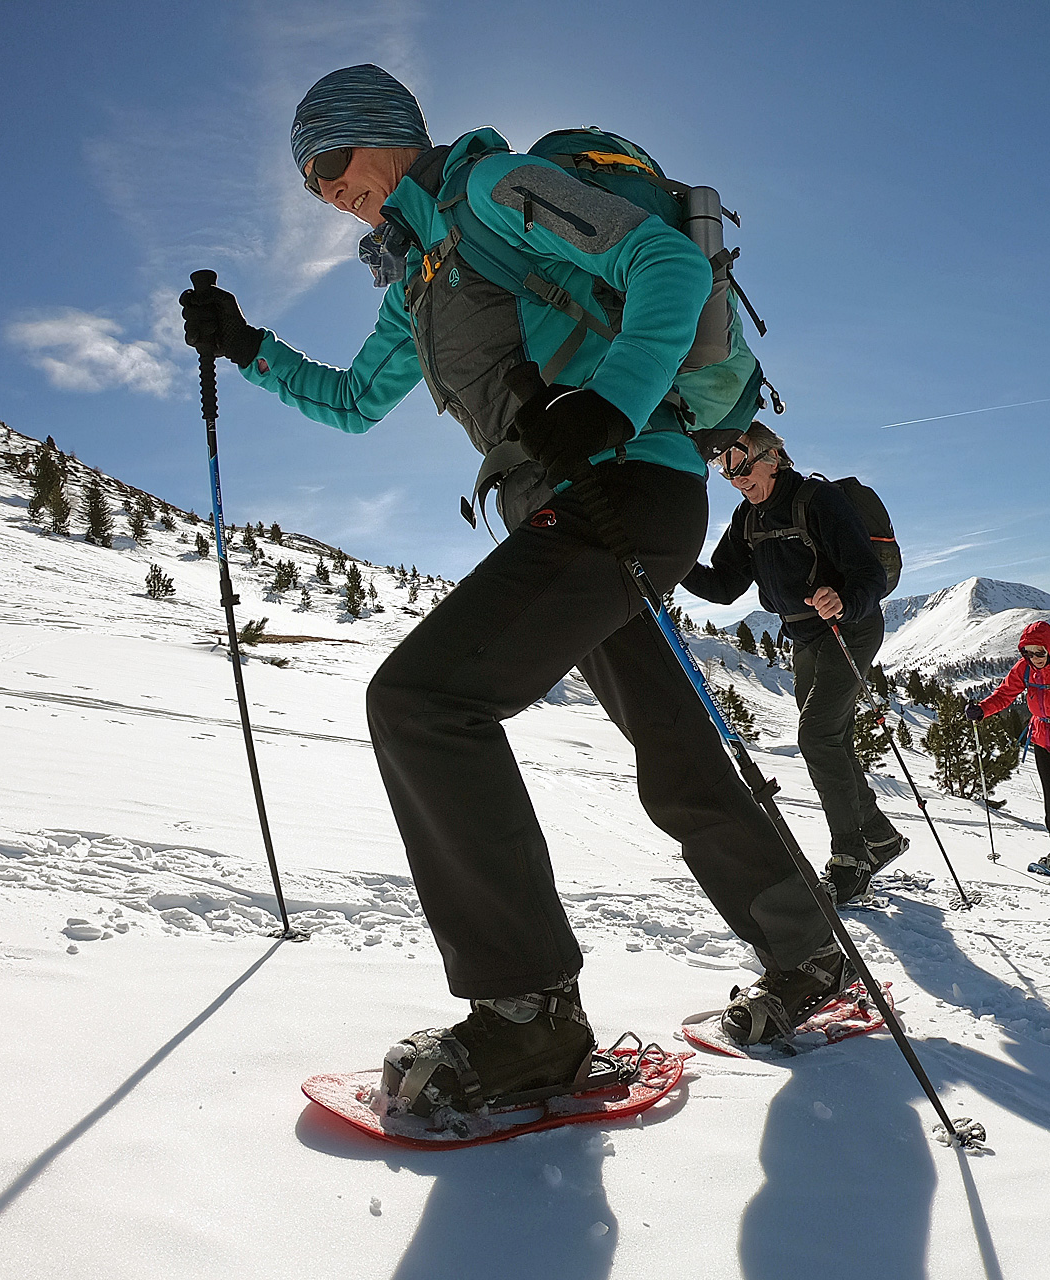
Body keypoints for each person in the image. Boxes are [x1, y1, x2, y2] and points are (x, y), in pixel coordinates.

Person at [179, 65, 844, 1112]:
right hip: (576, 505)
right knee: (675, 751)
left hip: (626, 485)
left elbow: (663, 262)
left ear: (387, 135)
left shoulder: (492, 189)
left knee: (424, 701)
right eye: (307, 179)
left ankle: (529, 1019)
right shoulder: (417, 280)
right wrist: (248, 347)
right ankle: (812, 955)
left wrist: (614, 404)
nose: (322, 187)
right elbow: (354, 403)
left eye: (332, 161)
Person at [679, 422, 904, 901]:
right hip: (805, 636)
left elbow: (868, 575)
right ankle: (880, 836)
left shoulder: (818, 501)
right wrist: (674, 564)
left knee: (817, 735)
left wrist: (843, 599)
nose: (736, 478)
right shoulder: (747, 520)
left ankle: (851, 854)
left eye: (740, 465)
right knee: (831, 738)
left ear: (772, 456)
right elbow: (723, 586)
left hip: (850, 629)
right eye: (726, 471)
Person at [965, 621, 1050, 875]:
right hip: (1041, 735)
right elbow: (1005, 694)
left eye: (1039, 652)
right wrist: (983, 710)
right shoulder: (1025, 669)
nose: (1034, 658)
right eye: (1027, 653)